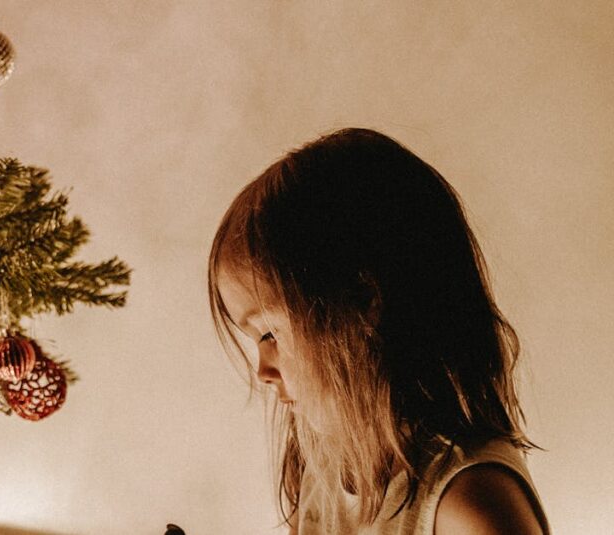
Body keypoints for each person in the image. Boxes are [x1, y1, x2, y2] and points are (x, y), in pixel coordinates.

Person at [208, 128, 549, 534]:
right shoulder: (321, 469)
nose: (262, 370)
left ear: (362, 303)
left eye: (269, 334)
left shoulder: (470, 504)